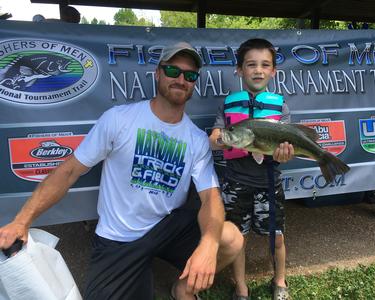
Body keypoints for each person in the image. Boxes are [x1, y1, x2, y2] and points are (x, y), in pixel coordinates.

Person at [0, 41, 243, 300]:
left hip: (167, 227)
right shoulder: (119, 119)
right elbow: (68, 171)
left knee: (230, 239)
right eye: (173, 71)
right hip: (119, 238)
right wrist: (22, 221)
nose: (181, 79)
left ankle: (182, 289)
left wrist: (208, 244)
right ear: (158, 73)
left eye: (189, 75)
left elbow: (211, 197)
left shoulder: (195, 139)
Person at [209, 38, 294, 300]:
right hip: (236, 183)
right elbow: (214, 138)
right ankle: (241, 287)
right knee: (238, 239)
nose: (258, 70)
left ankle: (280, 280)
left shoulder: (281, 107)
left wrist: (285, 154)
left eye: (265, 65)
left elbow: (286, 150)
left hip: (269, 183)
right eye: (251, 64)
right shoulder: (228, 104)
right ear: (239, 70)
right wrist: (222, 140)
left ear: (273, 72)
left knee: (276, 237)